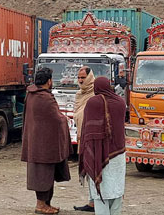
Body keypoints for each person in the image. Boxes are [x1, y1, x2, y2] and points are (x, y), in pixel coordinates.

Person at [21, 67, 72, 215]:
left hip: (37, 142)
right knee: (43, 176)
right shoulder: (45, 97)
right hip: (44, 145)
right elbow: (56, 118)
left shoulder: (31, 95)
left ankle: (46, 204)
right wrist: (65, 119)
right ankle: (41, 205)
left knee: (46, 175)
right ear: (49, 81)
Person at [79, 77, 126, 215]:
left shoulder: (93, 103)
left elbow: (87, 129)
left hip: (97, 154)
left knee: (100, 193)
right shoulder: (120, 102)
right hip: (118, 153)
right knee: (117, 189)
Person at [73, 66, 96, 212]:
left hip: (92, 139)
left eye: (83, 78)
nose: (81, 80)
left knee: (94, 169)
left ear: (90, 78)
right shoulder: (79, 95)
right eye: (79, 78)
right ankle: (92, 201)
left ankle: (95, 202)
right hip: (82, 137)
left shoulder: (96, 95)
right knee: (88, 169)